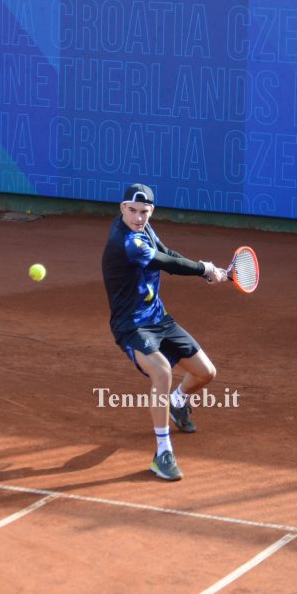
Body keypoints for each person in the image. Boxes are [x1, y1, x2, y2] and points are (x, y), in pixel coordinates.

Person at [101, 183, 227, 481]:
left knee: (206, 373)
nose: (138, 217)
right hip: (131, 325)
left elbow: (166, 251)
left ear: (151, 211)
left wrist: (205, 272)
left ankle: (178, 403)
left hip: (158, 318)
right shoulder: (127, 240)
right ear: (122, 208)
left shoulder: (146, 229)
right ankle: (163, 452)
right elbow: (163, 262)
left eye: (144, 212)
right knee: (162, 373)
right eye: (132, 210)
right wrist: (204, 268)